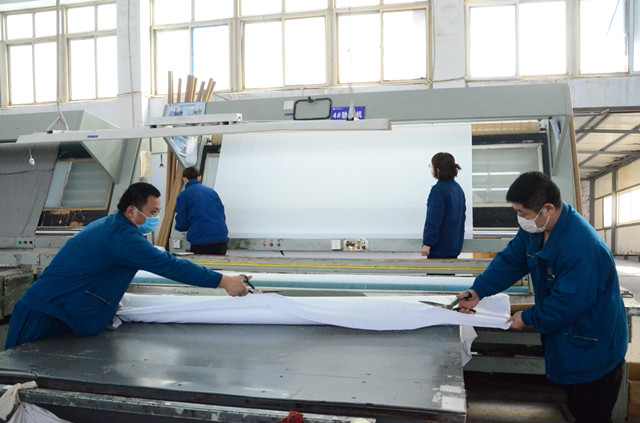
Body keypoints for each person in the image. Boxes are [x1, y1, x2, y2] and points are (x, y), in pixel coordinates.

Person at [457, 171, 627, 423]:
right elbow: (510, 261)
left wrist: (527, 318)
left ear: (547, 209)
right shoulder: (536, 229)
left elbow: (566, 303)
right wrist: (478, 290)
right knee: (576, 407)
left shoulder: (582, 246)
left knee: (592, 413)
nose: (520, 219)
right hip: (571, 341)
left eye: (523, 213)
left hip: (593, 345)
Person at [5, 182, 250, 350]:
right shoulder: (122, 237)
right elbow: (171, 266)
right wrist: (224, 281)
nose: (156, 218)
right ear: (132, 211)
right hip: (42, 317)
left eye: (158, 212)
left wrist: (107, 299)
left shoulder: (113, 225)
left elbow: (100, 271)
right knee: (16, 385)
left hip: (56, 312)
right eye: (152, 212)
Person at [421, 152, 466, 258]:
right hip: (454, 246)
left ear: (437, 170)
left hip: (439, 248)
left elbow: (434, 219)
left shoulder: (438, 190)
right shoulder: (458, 189)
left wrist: (427, 243)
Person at [175, 166, 229, 255]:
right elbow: (222, 214)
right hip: (221, 239)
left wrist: (179, 227)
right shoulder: (212, 192)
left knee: (200, 264)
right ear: (199, 177)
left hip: (201, 241)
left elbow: (182, 224)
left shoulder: (183, 195)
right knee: (218, 264)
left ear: (184, 179)